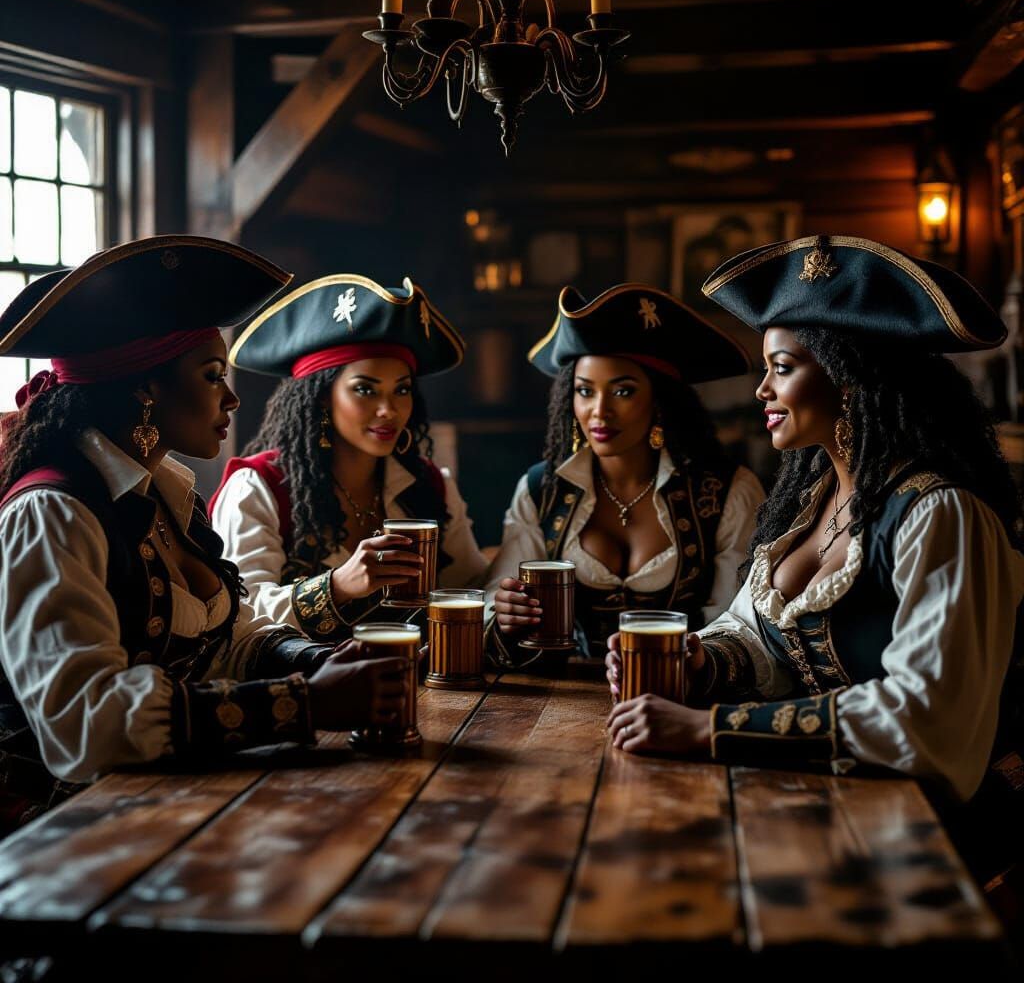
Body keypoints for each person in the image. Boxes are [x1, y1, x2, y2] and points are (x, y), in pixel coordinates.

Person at [604, 235, 1024, 906]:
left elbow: (926, 716)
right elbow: (754, 632)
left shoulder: (944, 514)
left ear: (850, 377)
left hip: (924, 838)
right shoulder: (806, 500)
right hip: (816, 802)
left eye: (783, 367)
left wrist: (709, 729)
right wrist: (703, 664)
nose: (763, 388)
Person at [0, 237, 409, 834]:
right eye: (213, 375)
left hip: (176, 803)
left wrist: (316, 662)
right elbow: (87, 727)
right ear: (147, 389)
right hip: (61, 839)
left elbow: (225, 638)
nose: (232, 397)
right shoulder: (52, 512)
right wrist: (305, 704)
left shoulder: (164, 491)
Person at [487, 283, 765, 666]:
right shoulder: (541, 490)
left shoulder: (726, 493)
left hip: (681, 695)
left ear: (659, 400)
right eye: (585, 392)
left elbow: (738, 624)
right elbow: (493, 600)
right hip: (560, 699)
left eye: (623, 392)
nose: (599, 412)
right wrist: (505, 612)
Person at [211, 273, 487, 641]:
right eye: (365, 390)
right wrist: (337, 586)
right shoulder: (258, 487)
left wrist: (506, 596)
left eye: (401, 390)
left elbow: (468, 586)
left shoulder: (431, 485)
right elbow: (240, 613)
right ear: (322, 397)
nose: (388, 410)